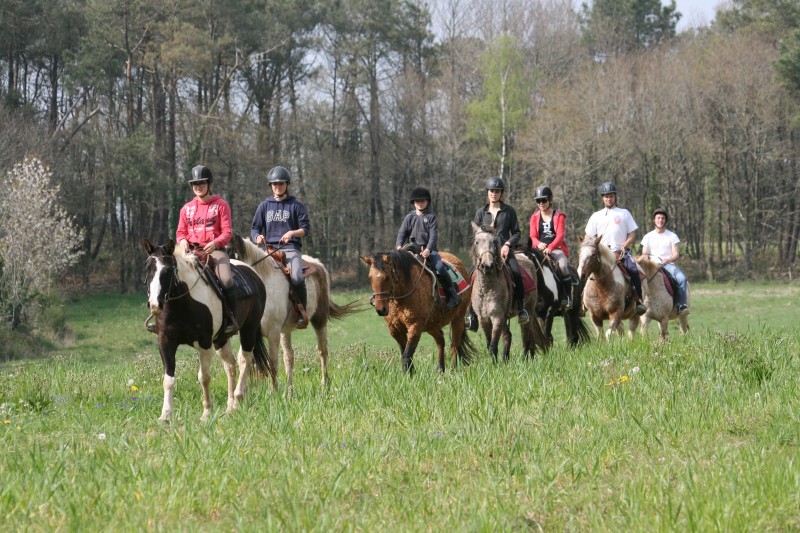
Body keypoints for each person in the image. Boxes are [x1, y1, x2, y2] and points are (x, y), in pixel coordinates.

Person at [176, 165, 239, 334]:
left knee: (226, 280)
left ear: (209, 183)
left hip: (215, 251)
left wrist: (217, 243)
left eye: (202, 183)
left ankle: (231, 318)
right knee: (171, 278)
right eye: (195, 184)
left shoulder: (221, 205)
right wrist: (182, 241)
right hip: (192, 252)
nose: (198, 186)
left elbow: (227, 232)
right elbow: (180, 232)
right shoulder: (186, 209)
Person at [465, 176, 530, 331]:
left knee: (517, 273)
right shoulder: (481, 213)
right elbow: (477, 237)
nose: (494, 193)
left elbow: (516, 233)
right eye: (491, 191)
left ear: (501, 193)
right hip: (485, 253)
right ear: (487, 192)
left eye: (497, 191)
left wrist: (507, 244)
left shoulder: (509, 211)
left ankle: (521, 309)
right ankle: (471, 314)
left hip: (504, 251)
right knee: (469, 277)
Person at [250, 165, 311, 328]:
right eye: (275, 184)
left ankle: (301, 312)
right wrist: (257, 237)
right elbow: (255, 228)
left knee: (297, 278)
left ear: (287, 185)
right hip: (270, 250)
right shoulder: (264, 206)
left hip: (291, 249)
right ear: (270, 186)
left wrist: (291, 233)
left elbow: (306, 229)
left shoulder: (296, 205)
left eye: (281, 184)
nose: (278, 187)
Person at [584, 181, 647, 316]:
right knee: (584, 269)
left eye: (611, 196)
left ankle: (638, 301)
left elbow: (632, 233)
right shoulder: (596, 216)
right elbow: (588, 236)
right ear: (603, 198)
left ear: (615, 197)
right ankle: (582, 302)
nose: (609, 198)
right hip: (601, 255)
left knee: (633, 270)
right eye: (606, 196)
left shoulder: (624, 213)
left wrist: (627, 242)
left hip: (620, 253)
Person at [396, 187, 461, 309]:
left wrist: (428, 249)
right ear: (413, 203)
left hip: (429, 251)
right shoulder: (409, 217)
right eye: (417, 201)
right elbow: (402, 233)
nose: (420, 203)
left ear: (427, 202)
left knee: (440, 268)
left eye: (422, 200)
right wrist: (399, 246)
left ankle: (452, 295)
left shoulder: (431, 217)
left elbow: (433, 235)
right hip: (411, 250)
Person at [529, 185, 574, 310]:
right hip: (538, 249)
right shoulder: (534, 217)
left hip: (556, 249)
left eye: (544, 200)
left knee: (563, 266)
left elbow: (560, 236)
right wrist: (538, 243)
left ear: (550, 200)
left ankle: (567, 297)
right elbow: (532, 236)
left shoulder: (559, 216)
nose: (541, 203)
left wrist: (551, 247)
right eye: (538, 201)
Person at [641, 207, 690, 315]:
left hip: (668, 265)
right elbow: (644, 253)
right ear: (654, 220)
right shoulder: (647, 237)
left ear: (665, 220)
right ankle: (637, 304)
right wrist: (645, 261)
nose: (660, 220)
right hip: (652, 266)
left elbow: (676, 254)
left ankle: (681, 305)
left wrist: (669, 259)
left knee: (682, 279)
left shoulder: (672, 236)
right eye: (658, 218)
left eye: (663, 218)